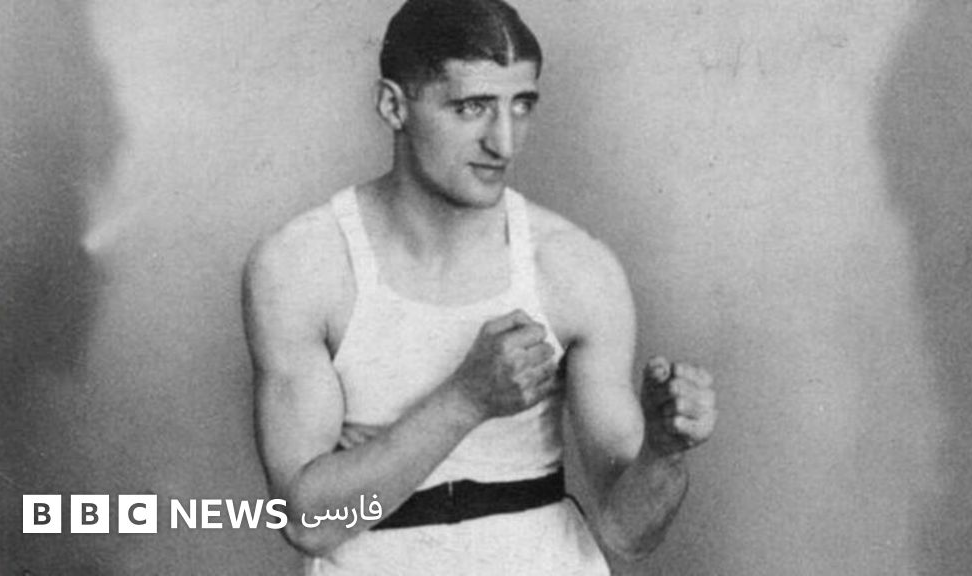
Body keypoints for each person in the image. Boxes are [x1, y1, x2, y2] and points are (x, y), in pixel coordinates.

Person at [242, 0, 717, 573]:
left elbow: (627, 534)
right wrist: (465, 399)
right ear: (393, 105)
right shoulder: (302, 264)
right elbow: (308, 524)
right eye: (472, 107)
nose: (505, 143)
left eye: (521, 106)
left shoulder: (575, 268)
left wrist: (662, 454)